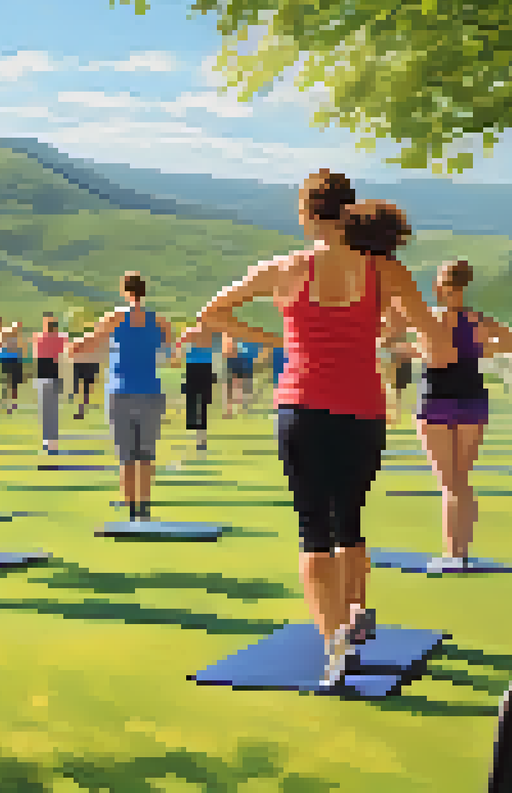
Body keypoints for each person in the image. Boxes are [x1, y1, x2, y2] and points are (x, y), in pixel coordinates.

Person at [185, 171, 452, 690]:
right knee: (349, 521)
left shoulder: (283, 270)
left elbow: (211, 314)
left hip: (304, 407)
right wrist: (391, 338)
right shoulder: (385, 270)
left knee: (315, 531)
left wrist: (277, 338)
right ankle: (355, 616)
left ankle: (335, 646)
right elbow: (436, 340)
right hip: (364, 412)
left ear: (305, 214)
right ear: (348, 210)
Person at [389, 260, 512, 571]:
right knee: (461, 481)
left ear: (439, 285)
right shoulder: (477, 320)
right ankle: (459, 552)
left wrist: (415, 351)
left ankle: (453, 555)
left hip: (435, 401)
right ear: (465, 284)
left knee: (449, 483)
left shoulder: (429, 318)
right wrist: (480, 351)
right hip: (472, 400)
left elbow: (397, 343)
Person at [70, 273, 172, 522]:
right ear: (144, 291)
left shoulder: (115, 318)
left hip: (120, 391)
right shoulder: (160, 321)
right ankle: (145, 510)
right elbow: (170, 353)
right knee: (146, 453)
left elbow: (91, 341)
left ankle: (130, 510)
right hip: (150, 390)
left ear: (124, 292)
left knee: (126, 454)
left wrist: (73, 347)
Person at [171, 327, 219, 451]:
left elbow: (179, 347)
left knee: (194, 403)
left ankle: (198, 435)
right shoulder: (211, 334)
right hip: (206, 369)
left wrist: (177, 357)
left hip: (194, 368)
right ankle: (201, 436)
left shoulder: (191, 332)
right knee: (202, 405)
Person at [32, 315, 68, 453]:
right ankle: (51, 439)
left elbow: (36, 355)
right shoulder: (61, 338)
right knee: (52, 409)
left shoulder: (39, 337)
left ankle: (48, 439)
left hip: (45, 375)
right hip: (55, 375)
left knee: (46, 409)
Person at [223, 336, 260, 417]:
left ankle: (242, 409)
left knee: (242, 390)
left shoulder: (247, 345)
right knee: (232, 390)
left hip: (243, 370)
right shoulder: (233, 343)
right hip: (237, 369)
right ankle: (232, 410)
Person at [0, 320, 25, 412]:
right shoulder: (5, 334)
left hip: (14, 360)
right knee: (9, 382)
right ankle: (8, 402)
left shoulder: (17, 337)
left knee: (14, 384)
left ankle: (12, 402)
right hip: (7, 360)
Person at [69, 337, 101, 420]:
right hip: (85, 365)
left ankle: (81, 409)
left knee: (83, 390)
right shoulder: (91, 345)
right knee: (83, 390)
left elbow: (71, 353)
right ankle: (81, 409)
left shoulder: (87, 344)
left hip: (85, 365)